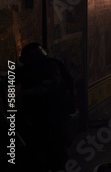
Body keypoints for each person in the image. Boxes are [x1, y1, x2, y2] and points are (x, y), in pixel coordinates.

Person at [17, 42, 75, 172]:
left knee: (57, 154)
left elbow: (50, 86)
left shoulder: (51, 67)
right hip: (40, 119)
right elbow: (16, 76)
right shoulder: (32, 69)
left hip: (56, 119)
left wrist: (24, 94)